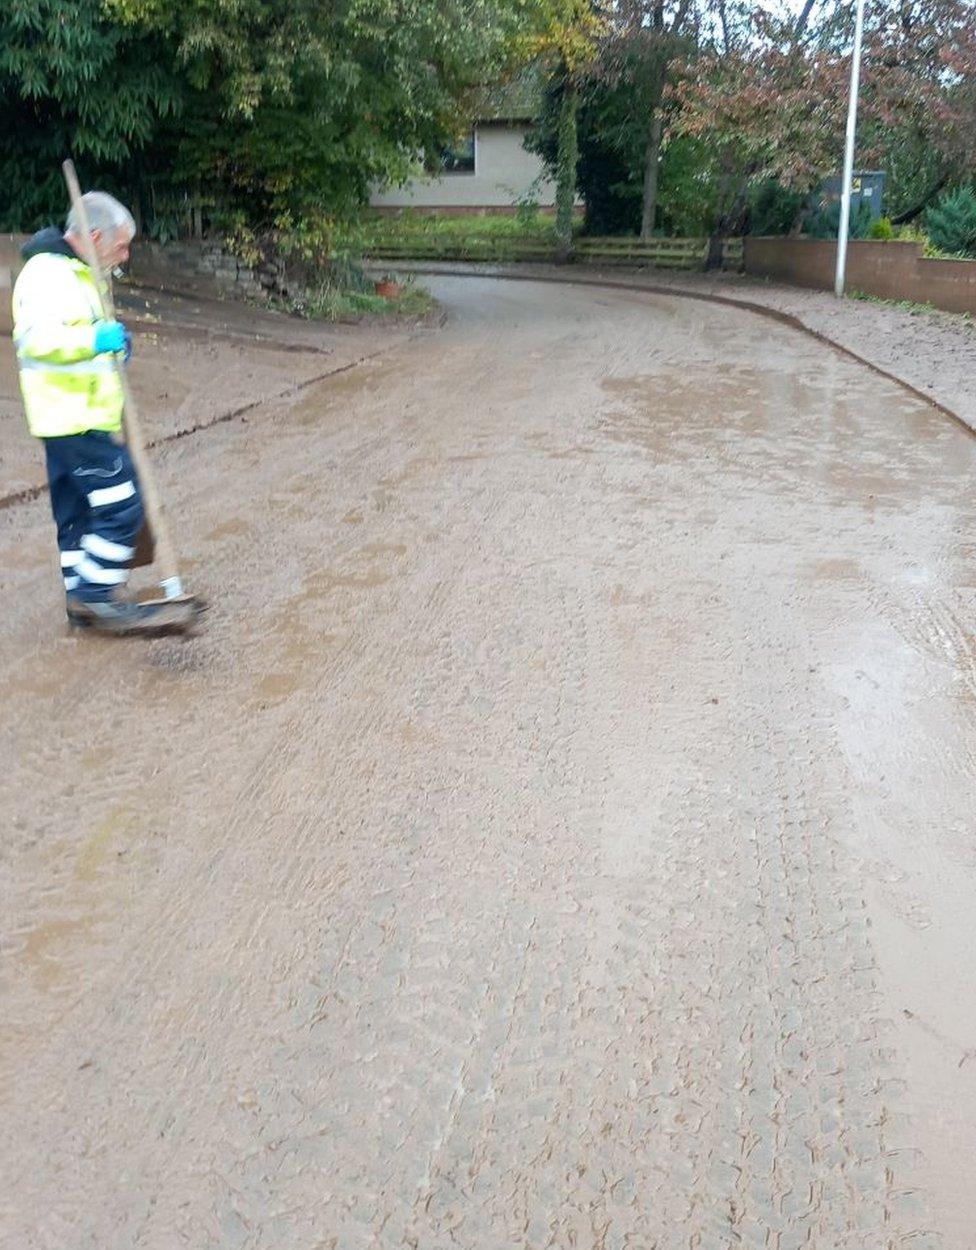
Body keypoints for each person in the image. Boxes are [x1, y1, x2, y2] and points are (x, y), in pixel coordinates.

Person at [12, 192, 169, 634]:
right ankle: (96, 597)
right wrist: (95, 342)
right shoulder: (47, 274)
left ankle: (80, 598)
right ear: (94, 236)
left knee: (78, 513)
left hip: (76, 416)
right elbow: (38, 342)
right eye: (121, 245)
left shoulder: (79, 274)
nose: (126, 254)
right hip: (73, 417)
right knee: (123, 506)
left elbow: (83, 334)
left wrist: (113, 346)